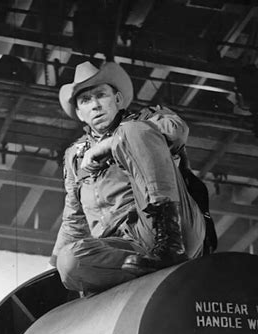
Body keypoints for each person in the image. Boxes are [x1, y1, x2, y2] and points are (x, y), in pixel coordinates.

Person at [52, 60, 212, 296]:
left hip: (172, 226)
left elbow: (178, 131)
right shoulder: (75, 157)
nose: (95, 105)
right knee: (69, 262)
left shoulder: (145, 118)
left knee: (132, 130)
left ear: (117, 99)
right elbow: (73, 218)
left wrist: (110, 144)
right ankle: (145, 271)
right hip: (122, 247)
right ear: (79, 113)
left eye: (101, 95)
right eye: (86, 100)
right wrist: (54, 266)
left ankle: (169, 246)